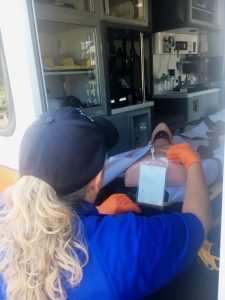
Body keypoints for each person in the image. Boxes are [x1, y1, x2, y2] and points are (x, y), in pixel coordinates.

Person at [0, 107, 211, 300]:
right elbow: (198, 224)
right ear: (97, 179)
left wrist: (97, 211)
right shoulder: (125, 243)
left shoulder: (5, 215)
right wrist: (193, 162)